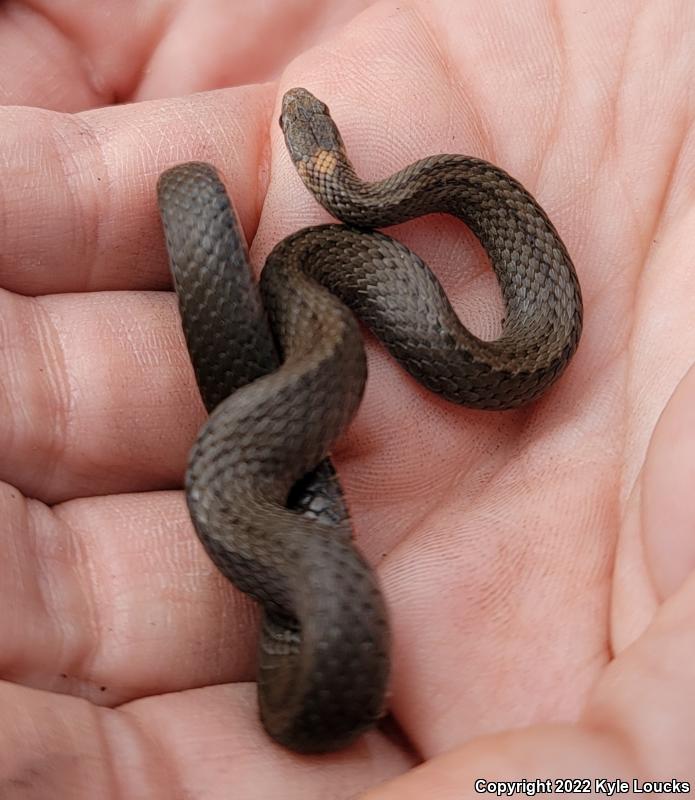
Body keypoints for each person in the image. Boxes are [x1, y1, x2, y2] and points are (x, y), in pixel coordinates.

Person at [1, 1, 693, 797]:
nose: (304, 113)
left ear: (315, 159)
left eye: (310, 123)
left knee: (278, 284)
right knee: (271, 280)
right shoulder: (310, 262)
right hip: (285, 404)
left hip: (319, 352)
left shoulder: (359, 237)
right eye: (312, 124)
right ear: (321, 153)